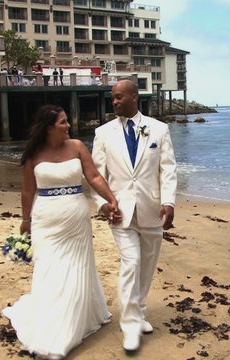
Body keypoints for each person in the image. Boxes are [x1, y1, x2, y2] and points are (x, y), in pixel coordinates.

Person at [2, 104, 122, 359]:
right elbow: (27, 190)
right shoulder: (34, 154)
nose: (68, 126)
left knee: (77, 267)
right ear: (48, 128)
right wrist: (26, 220)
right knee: (49, 268)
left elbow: (94, 177)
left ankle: (75, 319)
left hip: (75, 219)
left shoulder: (78, 146)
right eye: (63, 123)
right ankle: (51, 319)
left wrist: (111, 199)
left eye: (67, 122)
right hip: (45, 220)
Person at [91, 79, 177, 352]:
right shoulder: (103, 133)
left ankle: (139, 311)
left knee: (147, 267)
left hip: (152, 210)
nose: (114, 102)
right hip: (120, 213)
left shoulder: (159, 129)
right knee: (132, 263)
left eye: (118, 97)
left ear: (133, 97)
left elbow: (168, 169)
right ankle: (129, 326)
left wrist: (169, 202)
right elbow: (95, 176)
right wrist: (102, 204)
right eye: (112, 98)